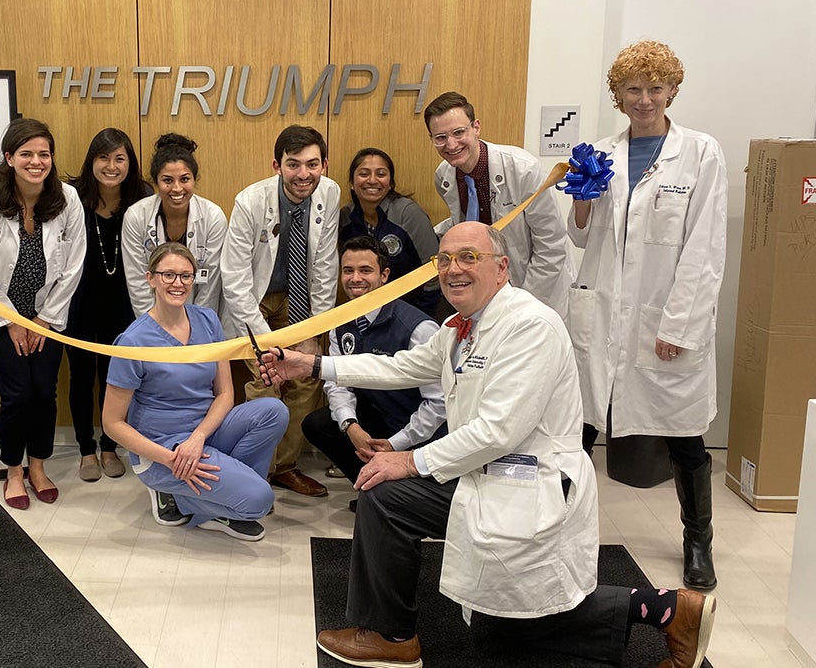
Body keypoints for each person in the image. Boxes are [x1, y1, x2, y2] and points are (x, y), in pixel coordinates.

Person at [261, 222, 716, 668]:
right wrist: (313, 365)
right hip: (489, 473)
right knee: (492, 605)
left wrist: (411, 461)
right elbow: (402, 367)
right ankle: (665, 609)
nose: (453, 268)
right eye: (444, 260)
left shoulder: (529, 326)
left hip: (529, 482)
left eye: (468, 257)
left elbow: (500, 430)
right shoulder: (463, 325)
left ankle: (391, 636)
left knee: (508, 618)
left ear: (502, 268)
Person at [568, 40, 727, 592]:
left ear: (672, 91)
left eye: (655, 88)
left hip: (663, 317)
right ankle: (564, 526)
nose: (644, 99)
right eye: (633, 89)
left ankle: (698, 540)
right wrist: (582, 196)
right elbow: (580, 235)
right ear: (618, 95)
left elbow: (704, 247)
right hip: (605, 315)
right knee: (583, 425)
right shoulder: (602, 152)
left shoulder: (701, 153)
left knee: (683, 435)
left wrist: (678, 325)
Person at [102, 242, 287, 541]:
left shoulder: (208, 321)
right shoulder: (132, 342)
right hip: (165, 448)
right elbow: (112, 424)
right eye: (169, 275)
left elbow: (225, 394)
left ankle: (218, 499)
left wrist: (198, 438)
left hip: (203, 434)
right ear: (151, 279)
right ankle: (174, 492)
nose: (179, 283)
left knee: (273, 411)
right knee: (260, 501)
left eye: (186, 276)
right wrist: (170, 459)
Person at [0, 118, 85, 510]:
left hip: (47, 315)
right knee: (18, 394)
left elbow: (74, 264)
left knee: (45, 392)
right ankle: (14, 470)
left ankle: (39, 465)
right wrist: (12, 321)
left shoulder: (67, 200)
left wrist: (43, 320)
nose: (36, 161)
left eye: (44, 154)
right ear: (9, 158)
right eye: (26, 154)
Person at [221, 124, 340, 498]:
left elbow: (324, 265)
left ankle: (284, 468)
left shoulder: (330, 192)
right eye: (293, 165)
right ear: (277, 165)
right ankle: (255, 471)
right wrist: (267, 343)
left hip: (299, 296)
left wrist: (312, 333)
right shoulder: (250, 201)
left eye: (312, 164)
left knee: (307, 376)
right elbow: (235, 276)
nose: (303, 174)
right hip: (257, 300)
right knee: (267, 379)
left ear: (323, 163)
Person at [302, 236, 446, 501]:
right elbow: (337, 383)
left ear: (384, 275)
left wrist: (395, 444)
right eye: (348, 270)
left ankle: (399, 491)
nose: (355, 278)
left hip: (420, 428)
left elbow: (439, 405)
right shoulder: (340, 321)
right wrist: (351, 427)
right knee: (319, 424)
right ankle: (374, 488)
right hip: (379, 417)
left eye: (366, 270)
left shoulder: (419, 329)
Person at [425, 91, 573, 319]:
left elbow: (551, 246)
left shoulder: (524, 169)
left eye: (458, 132)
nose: (451, 144)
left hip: (535, 288)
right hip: (485, 289)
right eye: (440, 137)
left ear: (476, 127)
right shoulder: (444, 177)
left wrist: (523, 304)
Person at [65, 128, 152, 482]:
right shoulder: (71, 198)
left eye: (120, 158)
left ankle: (109, 445)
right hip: (78, 303)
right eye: (104, 157)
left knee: (117, 379)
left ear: (130, 164)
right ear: (91, 161)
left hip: (125, 305)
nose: (111, 166)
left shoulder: (143, 200)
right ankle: (86, 449)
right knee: (81, 377)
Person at [122, 133, 226, 316]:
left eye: (184, 179)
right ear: (156, 182)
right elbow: (138, 284)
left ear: (194, 179)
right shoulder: (136, 216)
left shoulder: (213, 217)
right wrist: (155, 329)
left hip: (199, 319)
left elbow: (209, 288)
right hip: (152, 319)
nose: (177, 188)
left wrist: (197, 328)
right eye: (168, 180)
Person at [338, 148, 441, 317]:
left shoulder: (408, 213)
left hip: (416, 309)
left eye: (381, 174)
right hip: (367, 313)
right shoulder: (345, 218)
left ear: (391, 182)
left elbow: (435, 271)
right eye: (364, 174)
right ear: (351, 182)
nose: (372, 180)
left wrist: (416, 318)